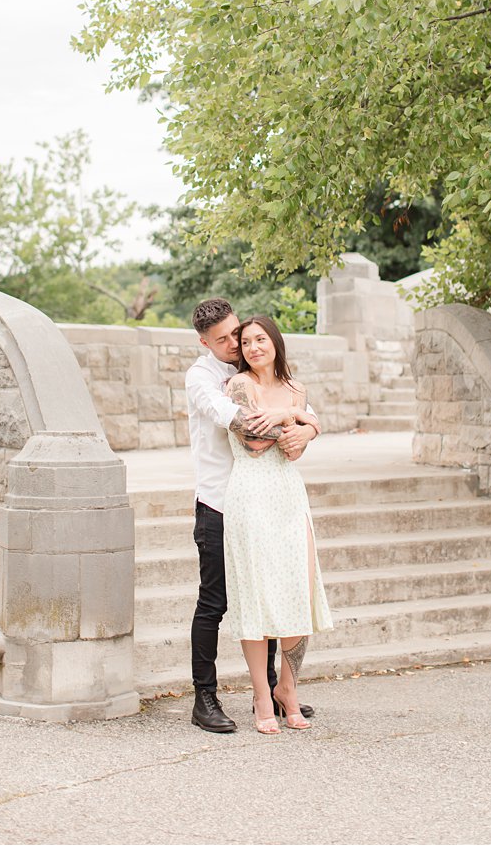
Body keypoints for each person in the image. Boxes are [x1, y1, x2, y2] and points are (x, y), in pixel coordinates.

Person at [184, 298, 320, 735]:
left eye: (235, 333)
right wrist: (292, 417)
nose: (232, 344)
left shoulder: (265, 369)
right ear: (205, 342)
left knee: (274, 591)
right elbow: (242, 424)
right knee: (215, 602)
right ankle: (205, 698)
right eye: (221, 339)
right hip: (221, 502)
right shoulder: (202, 377)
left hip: (271, 500)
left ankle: (278, 689)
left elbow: (306, 408)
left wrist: (309, 424)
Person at [222, 314, 333, 734]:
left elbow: (291, 450)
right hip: (250, 494)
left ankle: (288, 686)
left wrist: (303, 425)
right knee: (255, 595)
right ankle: (260, 695)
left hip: (288, 494)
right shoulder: (239, 386)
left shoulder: (296, 389)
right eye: (246, 342)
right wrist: (302, 420)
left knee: (298, 590)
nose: (253, 348)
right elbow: (252, 443)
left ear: (275, 342)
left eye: (260, 339)